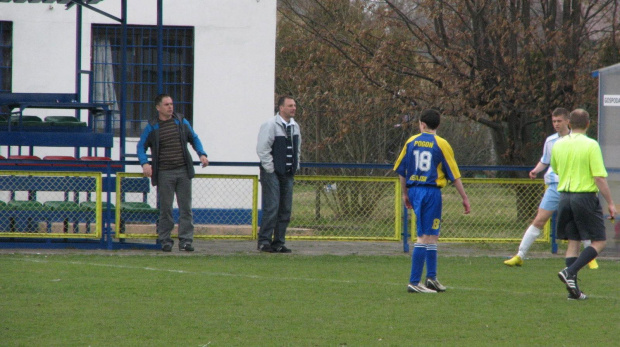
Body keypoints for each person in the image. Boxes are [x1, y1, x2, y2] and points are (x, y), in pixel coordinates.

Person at [504, 108, 598, 269]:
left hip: (573, 187)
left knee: (581, 221)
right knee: (540, 219)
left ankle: (589, 257)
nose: (556, 124)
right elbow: (546, 161)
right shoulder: (551, 141)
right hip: (555, 186)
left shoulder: (580, 140)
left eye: (559, 121)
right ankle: (520, 255)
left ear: (568, 121)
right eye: (554, 121)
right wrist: (536, 170)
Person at [393, 109, 470, 293]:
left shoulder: (411, 142)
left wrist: (405, 194)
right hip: (431, 192)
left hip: (414, 190)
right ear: (438, 125)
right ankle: (414, 281)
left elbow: (401, 171)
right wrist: (464, 197)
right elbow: (454, 175)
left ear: (422, 124)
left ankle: (431, 278)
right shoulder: (442, 144)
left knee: (432, 235)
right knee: (425, 236)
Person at [551, 108, 616, 300]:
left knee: (574, 241)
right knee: (600, 242)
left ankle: (574, 291)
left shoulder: (559, 144)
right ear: (588, 124)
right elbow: (599, 177)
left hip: (564, 197)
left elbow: (556, 168)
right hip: (584, 197)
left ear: (569, 124)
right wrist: (611, 203)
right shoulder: (591, 145)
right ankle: (570, 271)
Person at [137, 94, 209, 252]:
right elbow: (141, 146)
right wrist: (145, 163)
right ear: (158, 108)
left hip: (183, 170)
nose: (170, 107)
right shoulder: (152, 126)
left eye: (171, 104)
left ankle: (186, 241)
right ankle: (165, 240)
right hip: (164, 173)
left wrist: (202, 154)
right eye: (166, 104)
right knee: (166, 209)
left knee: (186, 208)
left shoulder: (181, 122)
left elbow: (194, 138)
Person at [256, 95, 302, 253]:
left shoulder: (295, 126)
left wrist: (295, 165)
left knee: (285, 208)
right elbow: (263, 149)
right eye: (290, 105)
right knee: (272, 207)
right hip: (272, 172)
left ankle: (279, 242)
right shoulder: (270, 125)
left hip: (288, 172)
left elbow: (297, 148)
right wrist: (270, 168)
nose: (293, 108)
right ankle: (264, 241)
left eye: (294, 105)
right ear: (281, 108)